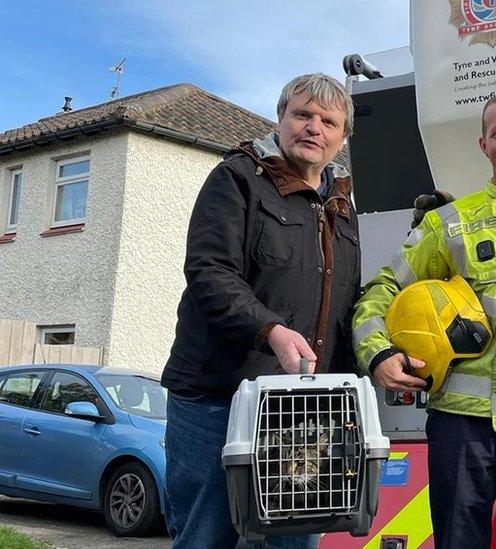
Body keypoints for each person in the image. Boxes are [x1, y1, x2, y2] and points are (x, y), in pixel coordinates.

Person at [353, 91, 496, 549]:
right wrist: (377, 353)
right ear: (482, 144)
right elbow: (381, 291)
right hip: (460, 424)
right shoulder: (450, 223)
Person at [161, 73, 361, 549]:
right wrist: (268, 328)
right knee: (206, 537)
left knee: (294, 539)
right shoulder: (236, 178)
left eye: (328, 121)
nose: (314, 127)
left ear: (342, 137)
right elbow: (210, 272)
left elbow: (348, 305)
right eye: (303, 115)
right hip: (218, 397)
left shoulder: (343, 206)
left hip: (302, 410)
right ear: (281, 119)